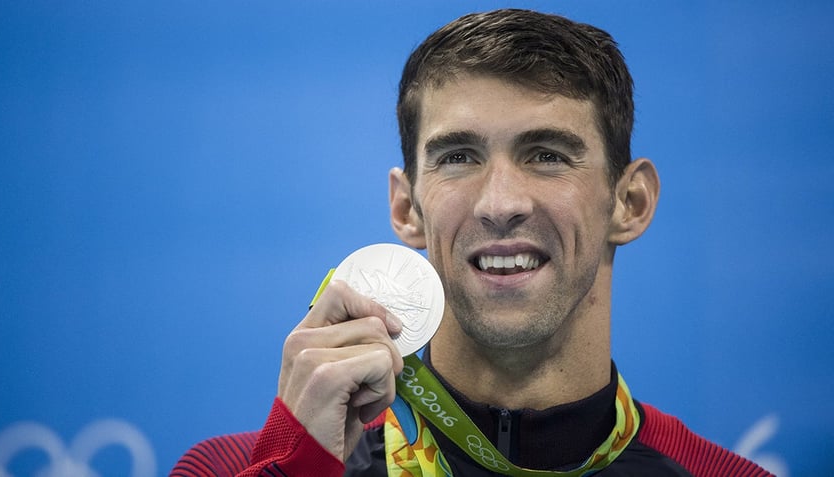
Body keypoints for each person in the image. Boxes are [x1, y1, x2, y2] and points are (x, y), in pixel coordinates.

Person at [171, 9, 773, 477]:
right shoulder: (231, 469)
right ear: (407, 208)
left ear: (629, 203)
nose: (500, 202)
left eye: (547, 155)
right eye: (459, 157)